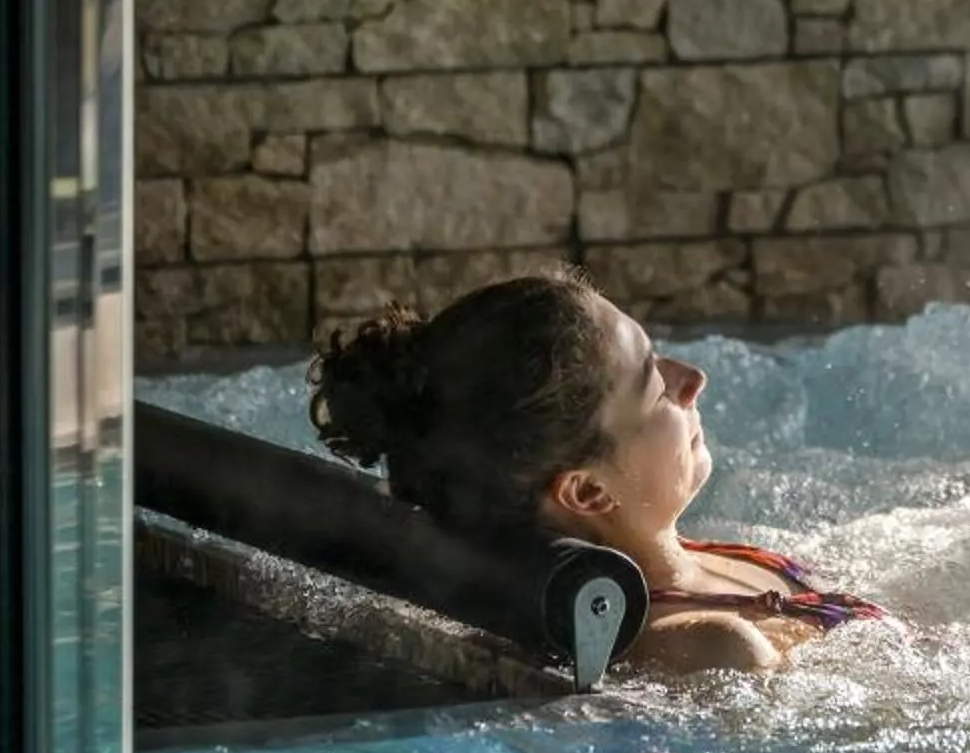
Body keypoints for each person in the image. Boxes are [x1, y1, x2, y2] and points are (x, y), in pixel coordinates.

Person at [305, 265, 887, 675]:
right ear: (587, 491)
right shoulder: (709, 646)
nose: (691, 379)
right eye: (655, 388)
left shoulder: (704, 561)